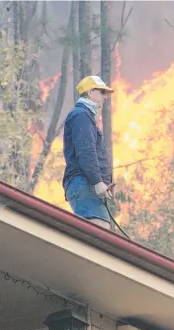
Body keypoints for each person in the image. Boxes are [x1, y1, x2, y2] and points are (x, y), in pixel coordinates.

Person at [62, 75, 114, 230]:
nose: (105, 97)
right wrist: (98, 182)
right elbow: (86, 151)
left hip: (84, 184)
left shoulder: (84, 116)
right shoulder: (81, 115)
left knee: (99, 232)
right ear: (91, 92)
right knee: (99, 231)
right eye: (102, 92)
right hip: (84, 183)